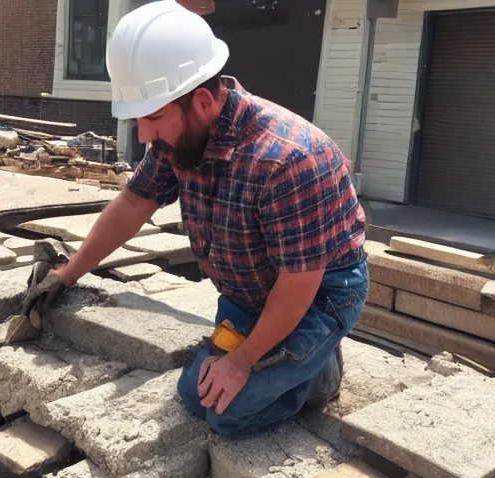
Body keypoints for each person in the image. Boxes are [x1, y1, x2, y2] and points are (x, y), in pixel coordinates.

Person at [24, 0, 368, 438]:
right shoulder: (183, 138)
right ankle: (297, 362)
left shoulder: (288, 160)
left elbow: (300, 280)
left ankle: (320, 374)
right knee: (196, 395)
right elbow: (133, 204)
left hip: (318, 293)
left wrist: (242, 361)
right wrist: (66, 274)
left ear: (203, 101)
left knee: (229, 415)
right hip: (249, 292)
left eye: (153, 118)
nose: (144, 135)